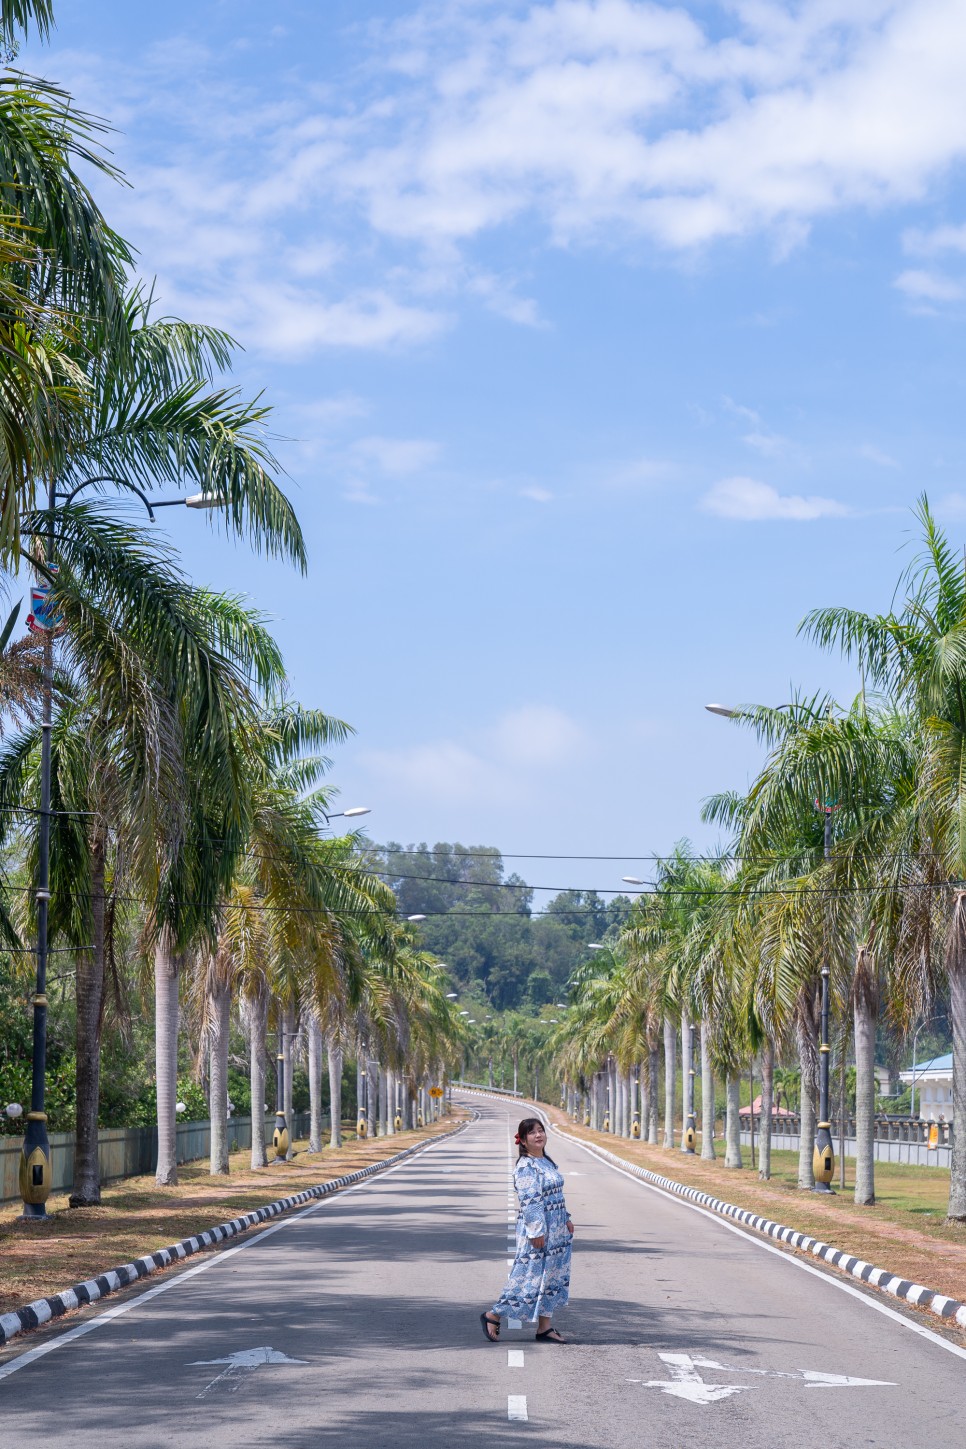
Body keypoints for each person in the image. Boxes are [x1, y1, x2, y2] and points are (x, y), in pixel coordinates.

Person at [481, 1116, 574, 1344]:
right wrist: (536, 1232)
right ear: (523, 1141)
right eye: (532, 1133)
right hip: (538, 1231)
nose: (538, 1135)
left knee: (551, 1277)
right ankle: (493, 1315)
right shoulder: (526, 1167)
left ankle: (544, 1328)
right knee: (528, 1277)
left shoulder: (547, 1162)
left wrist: (567, 1218)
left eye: (540, 1131)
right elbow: (530, 1201)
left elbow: (556, 1195)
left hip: (557, 1229)